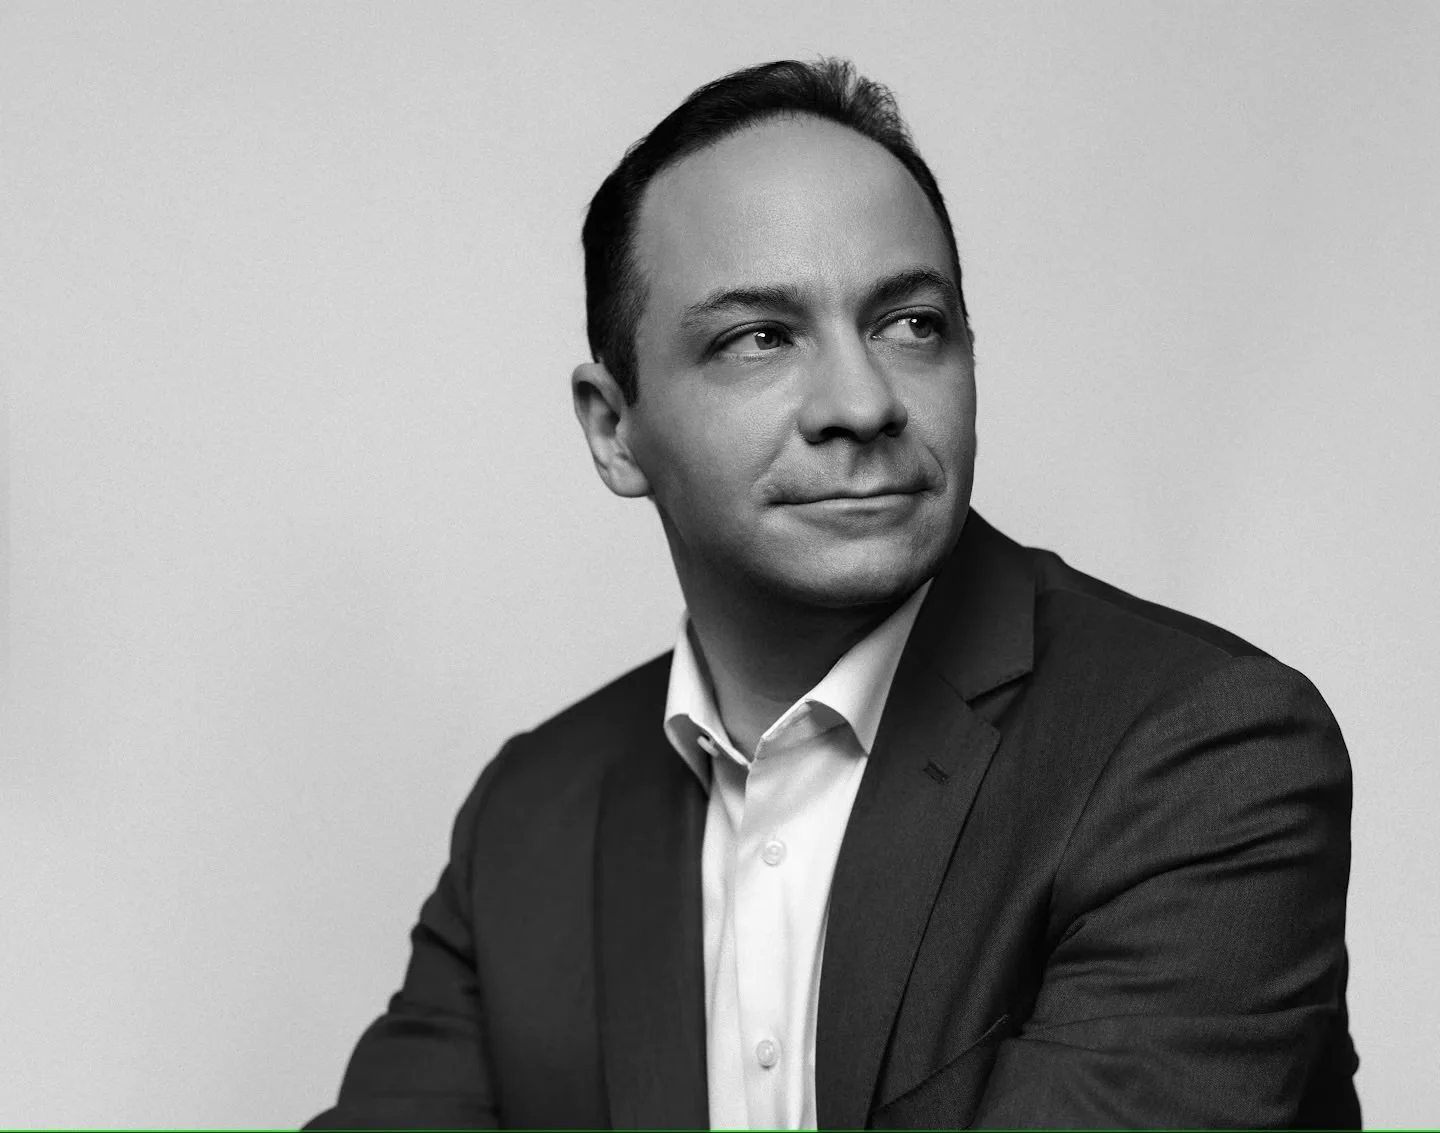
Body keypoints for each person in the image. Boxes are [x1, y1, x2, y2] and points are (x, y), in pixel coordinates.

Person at [307, 57, 1360, 1129]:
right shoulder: (532, 811)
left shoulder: (1206, 751)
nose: (862, 403)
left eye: (911, 323)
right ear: (614, 428)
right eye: (758, 338)